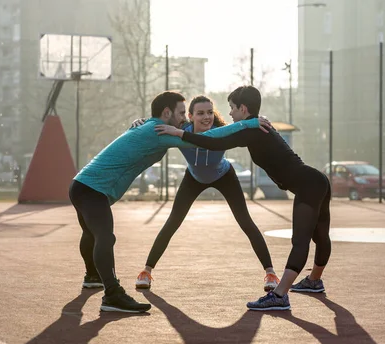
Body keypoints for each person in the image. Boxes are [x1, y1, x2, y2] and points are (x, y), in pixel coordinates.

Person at [70, 91, 272, 313]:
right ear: (167, 113)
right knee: (105, 236)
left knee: (91, 234)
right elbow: (203, 138)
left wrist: (249, 124)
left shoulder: (160, 128)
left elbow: (213, 135)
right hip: (93, 188)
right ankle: (114, 292)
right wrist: (251, 122)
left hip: (83, 185)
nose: (185, 117)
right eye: (182, 113)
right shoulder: (163, 132)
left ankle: (92, 276)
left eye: (206, 113)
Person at [154, 86, 332, 311]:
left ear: (243, 108)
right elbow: (219, 136)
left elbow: (214, 142)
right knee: (320, 235)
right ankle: (314, 281)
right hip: (317, 181)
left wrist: (178, 133)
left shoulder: (254, 130)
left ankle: (280, 295)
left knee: (301, 241)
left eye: (232, 108)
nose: (229, 113)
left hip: (308, 185)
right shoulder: (256, 126)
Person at [129, 95, 279, 292]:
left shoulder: (222, 132)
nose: (206, 117)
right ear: (190, 116)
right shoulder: (180, 131)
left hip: (224, 175)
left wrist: (254, 121)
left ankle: (270, 273)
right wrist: (141, 123)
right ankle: (146, 271)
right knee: (172, 222)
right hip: (193, 178)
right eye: (200, 113)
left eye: (209, 112)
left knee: (245, 221)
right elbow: (157, 126)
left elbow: (241, 127)